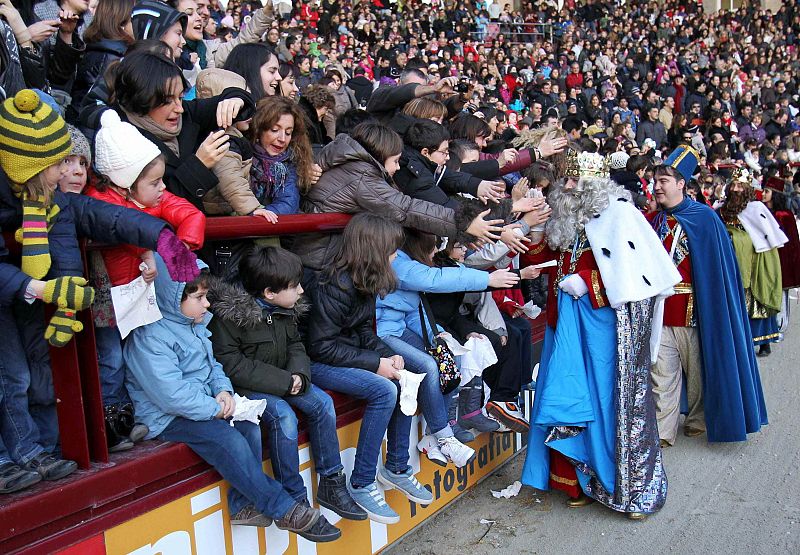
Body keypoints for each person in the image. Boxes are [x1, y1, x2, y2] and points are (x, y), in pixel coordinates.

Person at [0, 89, 199, 488]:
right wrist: (34, 287)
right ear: (30, 166)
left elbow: (105, 216)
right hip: (22, 299)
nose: (65, 172)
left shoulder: (55, 200)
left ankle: (37, 451)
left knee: (37, 379)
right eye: (58, 164)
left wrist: (160, 236)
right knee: (12, 378)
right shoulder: (19, 201)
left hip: (40, 304)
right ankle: (11, 458)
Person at [519, 149, 680, 519]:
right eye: (566, 180)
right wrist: (532, 226)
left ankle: (616, 482)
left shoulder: (621, 215)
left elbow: (639, 281)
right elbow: (537, 256)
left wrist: (590, 284)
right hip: (565, 324)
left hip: (604, 332)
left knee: (603, 404)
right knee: (568, 395)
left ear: (594, 184)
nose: (567, 186)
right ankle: (572, 480)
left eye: (575, 181)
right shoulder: (565, 216)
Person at [123, 256, 321, 533]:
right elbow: (172, 396)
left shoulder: (193, 324)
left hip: (205, 403)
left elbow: (214, 364)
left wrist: (223, 391)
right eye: (200, 297)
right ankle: (284, 508)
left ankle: (241, 506)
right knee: (228, 439)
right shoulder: (149, 337)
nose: (207, 304)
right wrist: (214, 408)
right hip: (167, 417)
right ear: (172, 297)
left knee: (248, 428)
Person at [208, 246, 367, 542]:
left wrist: (299, 376)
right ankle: (295, 499)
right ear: (269, 292)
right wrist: (285, 381)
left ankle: (331, 482)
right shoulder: (229, 317)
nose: (301, 290)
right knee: (283, 417)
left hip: (285, 378)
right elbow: (233, 365)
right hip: (249, 389)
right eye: (294, 286)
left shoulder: (286, 307)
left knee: (323, 404)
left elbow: (296, 345)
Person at [306, 213, 434, 524]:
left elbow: (365, 331)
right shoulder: (333, 284)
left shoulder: (365, 279)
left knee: (405, 377)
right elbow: (320, 346)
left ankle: (397, 467)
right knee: (383, 389)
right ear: (374, 250)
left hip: (345, 354)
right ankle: (362, 481)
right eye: (392, 250)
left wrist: (387, 356)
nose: (396, 257)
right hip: (317, 362)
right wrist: (375, 364)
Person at [648, 146, 769, 447]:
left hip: (697, 312)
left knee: (699, 374)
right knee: (661, 374)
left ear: (681, 184)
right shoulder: (652, 221)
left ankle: (698, 419)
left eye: (664, 180)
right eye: (656, 180)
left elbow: (719, 272)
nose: (658, 186)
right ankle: (663, 430)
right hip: (661, 312)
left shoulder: (705, 218)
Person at [376, 229, 522, 463]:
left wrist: (436, 335)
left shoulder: (408, 262)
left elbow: (415, 310)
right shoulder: (400, 265)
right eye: (433, 246)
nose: (436, 251)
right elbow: (438, 280)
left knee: (450, 354)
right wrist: (488, 279)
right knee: (429, 364)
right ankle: (443, 436)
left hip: (400, 329)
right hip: (383, 334)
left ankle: (437, 434)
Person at [295, 122, 505, 272]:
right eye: (395, 161)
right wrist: (463, 223)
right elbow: (405, 208)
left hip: (320, 253)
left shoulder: (349, 162)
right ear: (379, 155)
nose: (397, 167)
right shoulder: (362, 176)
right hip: (321, 259)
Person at [81, 50, 255, 210]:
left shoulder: (187, 114)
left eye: (180, 97)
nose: (179, 108)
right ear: (142, 99)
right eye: (167, 100)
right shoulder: (121, 138)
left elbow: (235, 100)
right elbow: (159, 200)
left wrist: (236, 99)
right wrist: (199, 165)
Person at [719, 167, 788, 357]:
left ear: (747, 189)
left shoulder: (756, 209)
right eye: (733, 185)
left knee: (758, 298)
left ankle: (764, 340)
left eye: (740, 186)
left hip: (756, 260)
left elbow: (765, 236)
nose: (735, 189)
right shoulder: (721, 210)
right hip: (732, 261)